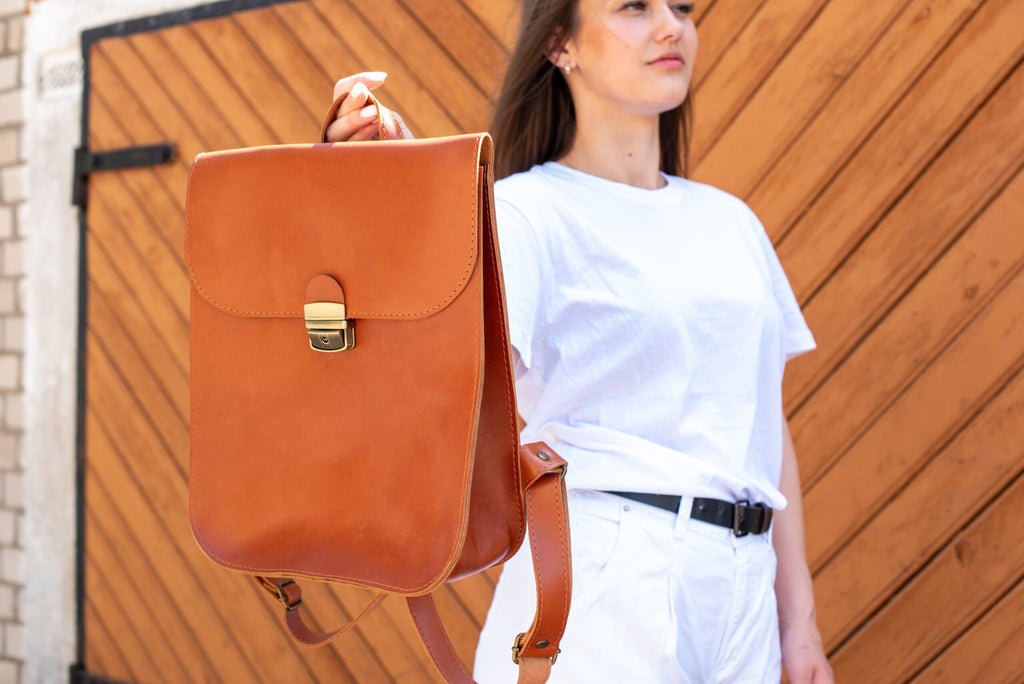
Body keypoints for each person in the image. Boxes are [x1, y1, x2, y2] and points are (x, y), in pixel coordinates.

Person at [326, 1, 834, 682]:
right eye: (633, 7)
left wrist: (799, 623)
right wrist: (412, 198)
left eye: (682, 6)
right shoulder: (524, 214)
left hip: (745, 587)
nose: (670, 25)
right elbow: (439, 392)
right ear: (559, 45)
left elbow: (763, 425)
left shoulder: (731, 222)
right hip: (607, 574)